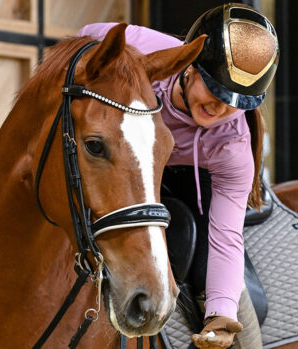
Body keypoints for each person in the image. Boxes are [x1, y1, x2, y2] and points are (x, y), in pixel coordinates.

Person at [78, 3, 278, 348]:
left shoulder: (234, 145)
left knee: (206, 266)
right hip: (124, 169)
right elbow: (84, 36)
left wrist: (221, 314)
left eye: (237, 102)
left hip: (195, 186)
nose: (221, 108)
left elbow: (226, 235)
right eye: (215, 90)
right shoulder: (150, 47)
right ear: (189, 67)